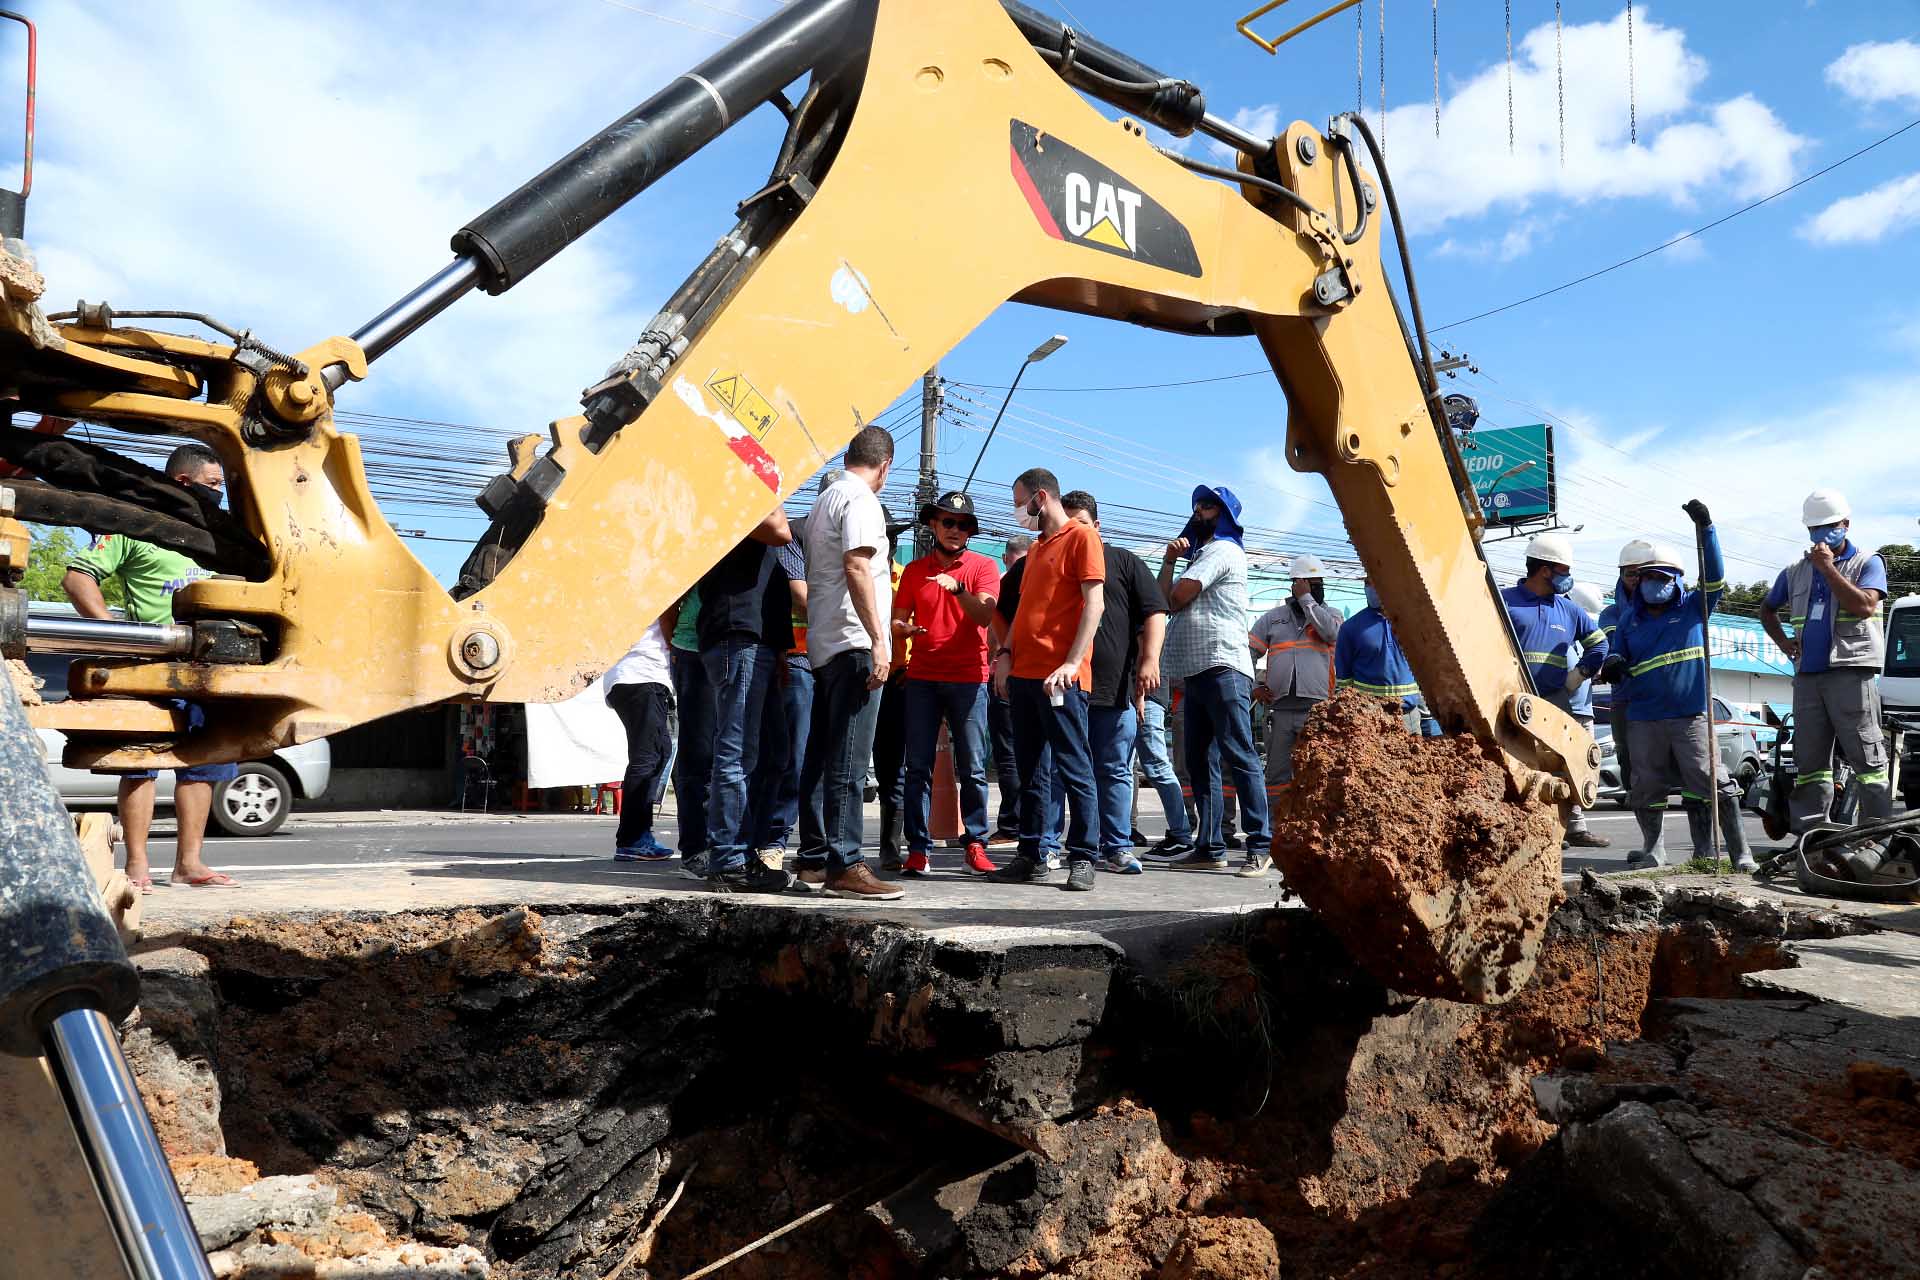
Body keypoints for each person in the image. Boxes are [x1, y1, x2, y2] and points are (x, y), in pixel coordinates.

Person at [62, 442, 238, 890]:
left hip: (210, 667)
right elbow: (77, 576)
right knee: (139, 765)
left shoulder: (222, 539)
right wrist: (110, 634)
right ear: (183, 482)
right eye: (214, 484)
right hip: (148, 664)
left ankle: (189, 865)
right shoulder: (133, 526)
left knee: (203, 765)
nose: (219, 493)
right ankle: (137, 867)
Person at [1602, 509, 1752, 870]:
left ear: (1675, 579)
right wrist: (1613, 663)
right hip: (1642, 719)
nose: (1653, 583)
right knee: (1646, 787)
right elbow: (1615, 651)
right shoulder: (1626, 619)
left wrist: (1707, 530)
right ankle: (1655, 850)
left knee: (1713, 781)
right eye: (1647, 578)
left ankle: (1740, 853)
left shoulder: (1693, 610)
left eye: (1661, 577)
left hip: (1689, 717)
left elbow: (1715, 576)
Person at [795, 427, 903, 899]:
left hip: (825, 643)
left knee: (822, 754)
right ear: (885, 466)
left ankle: (816, 858)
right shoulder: (861, 500)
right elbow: (858, 566)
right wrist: (880, 640)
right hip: (854, 642)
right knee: (849, 759)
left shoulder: (824, 500)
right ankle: (847, 863)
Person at [989, 467, 1105, 891]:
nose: (1018, 511)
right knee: (1030, 770)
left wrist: (1073, 663)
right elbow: (1021, 613)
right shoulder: (1037, 550)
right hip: (1024, 676)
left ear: (1041, 497)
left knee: (1074, 767)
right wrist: (1005, 655)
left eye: (1020, 502)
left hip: (1061, 680)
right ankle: (1031, 853)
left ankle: (1084, 857)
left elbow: (1095, 603)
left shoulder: (1081, 536)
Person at [1759, 488, 1893, 836]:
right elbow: (1767, 609)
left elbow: (1865, 605)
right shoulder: (1795, 571)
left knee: (1868, 760)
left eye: (1828, 526)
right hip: (1808, 677)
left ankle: (1874, 838)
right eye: (1814, 529)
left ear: (1845, 524)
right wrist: (1785, 642)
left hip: (1850, 673)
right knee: (1811, 765)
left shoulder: (1868, 562)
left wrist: (1829, 569)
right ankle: (1811, 838)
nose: (1820, 535)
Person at [1159, 484, 1272, 877]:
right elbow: (1162, 598)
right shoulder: (1197, 558)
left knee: (1239, 755)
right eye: (1197, 505)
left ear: (1224, 515)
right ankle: (1210, 846)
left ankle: (1260, 844)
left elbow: (1175, 600)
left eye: (1209, 506)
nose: (1199, 511)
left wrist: (1176, 567)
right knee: (1199, 760)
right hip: (1196, 670)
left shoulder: (1223, 550)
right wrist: (1170, 561)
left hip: (1223, 666)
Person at [894, 490, 1001, 876]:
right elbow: (897, 620)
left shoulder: (984, 566)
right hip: (921, 676)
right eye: (948, 522)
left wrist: (959, 591)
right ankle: (919, 849)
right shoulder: (913, 571)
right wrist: (904, 629)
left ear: (970, 530)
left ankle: (975, 844)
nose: (956, 529)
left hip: (970, 677)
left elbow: (986, 617)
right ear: (934, 525)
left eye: (963, 524)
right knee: (917, 767)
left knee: (973, 767)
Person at [1061, 491, 1167, 875]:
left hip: (1114, 691)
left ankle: (1117, 847)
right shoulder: (1054, 560)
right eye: (1068, 525)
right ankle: (1053, 846)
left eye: (1082, 525)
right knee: (1061, 771)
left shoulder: (1123, 562)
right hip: (1065, 690)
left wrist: (1149, 661)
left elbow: (1155, 611)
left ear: (1097, 527)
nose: (1075, 532)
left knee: (1114, 771)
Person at [694, 511, 800, 893]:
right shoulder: (742, 490)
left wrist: (780, 650)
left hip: (760, 640)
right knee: (737, 752)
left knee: (773, 754)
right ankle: (728, 858)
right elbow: (781, 532)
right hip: (736, 634)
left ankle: (745, 851)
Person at [1501, 532, 1610, 850]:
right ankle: (1532, 826)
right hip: (1513, 701)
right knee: (1523, 763)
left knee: (1566, 762)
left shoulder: (1570, 610)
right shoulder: (1504, 601)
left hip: (1556, 700)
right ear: (1545, 569)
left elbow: (1599, 643)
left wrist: (1579, 674)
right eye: (1564, 571)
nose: (1568, 578)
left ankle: (1573, 827)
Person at [1248, 554, 1343, 808]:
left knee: (1317, 770)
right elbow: (1246, 652)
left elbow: (1331, 634)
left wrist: (1307, 599)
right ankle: (1275, 832)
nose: (1318, 588)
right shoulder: (1273, 618)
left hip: (1317, 710)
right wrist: (1254, 687)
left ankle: (1313, 830)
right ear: (1296, 583)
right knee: (1277, 774)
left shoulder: (1330, 615)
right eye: (1311, 583)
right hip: (1279, 710)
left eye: (1319, 583)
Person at [750, 525, 812, 868]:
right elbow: (801, 599)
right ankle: (771, 840)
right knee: (787, 759)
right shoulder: (791, 543)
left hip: (828, 662)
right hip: (796, 661)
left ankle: (811, 848)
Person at [605, 608, 678, 861]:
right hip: (642, 673)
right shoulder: (660, 582)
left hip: (630, 675)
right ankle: (632, 838)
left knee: (657, 753)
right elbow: (670, 621)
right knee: (648, 756)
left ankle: (636, 835)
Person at [1334, 576, 1439, 736]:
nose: (1370, 587)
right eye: (1367, 583)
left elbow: (1426, 672)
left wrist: (1426, 721)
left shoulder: (1413, 625)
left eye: (1374, 581)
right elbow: (1344, 682)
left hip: (1408, 718)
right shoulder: (1351, 628)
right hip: (1369, 719)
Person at [986, 535, 1033, 845]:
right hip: (1033, 675)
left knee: (1009, 755)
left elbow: (992, 637)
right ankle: (1030, 824)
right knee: (1033, 754)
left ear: (1005, 558)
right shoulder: (1038, 583)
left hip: (1003, 675)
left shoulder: (1000, 586)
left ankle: (1011, 824)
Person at [668, 584, 713, 870]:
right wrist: (675, 648)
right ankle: (695, 849)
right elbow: (667, 604)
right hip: (694, 649)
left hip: (720, 647)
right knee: (698, 755)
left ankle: (708, 845)